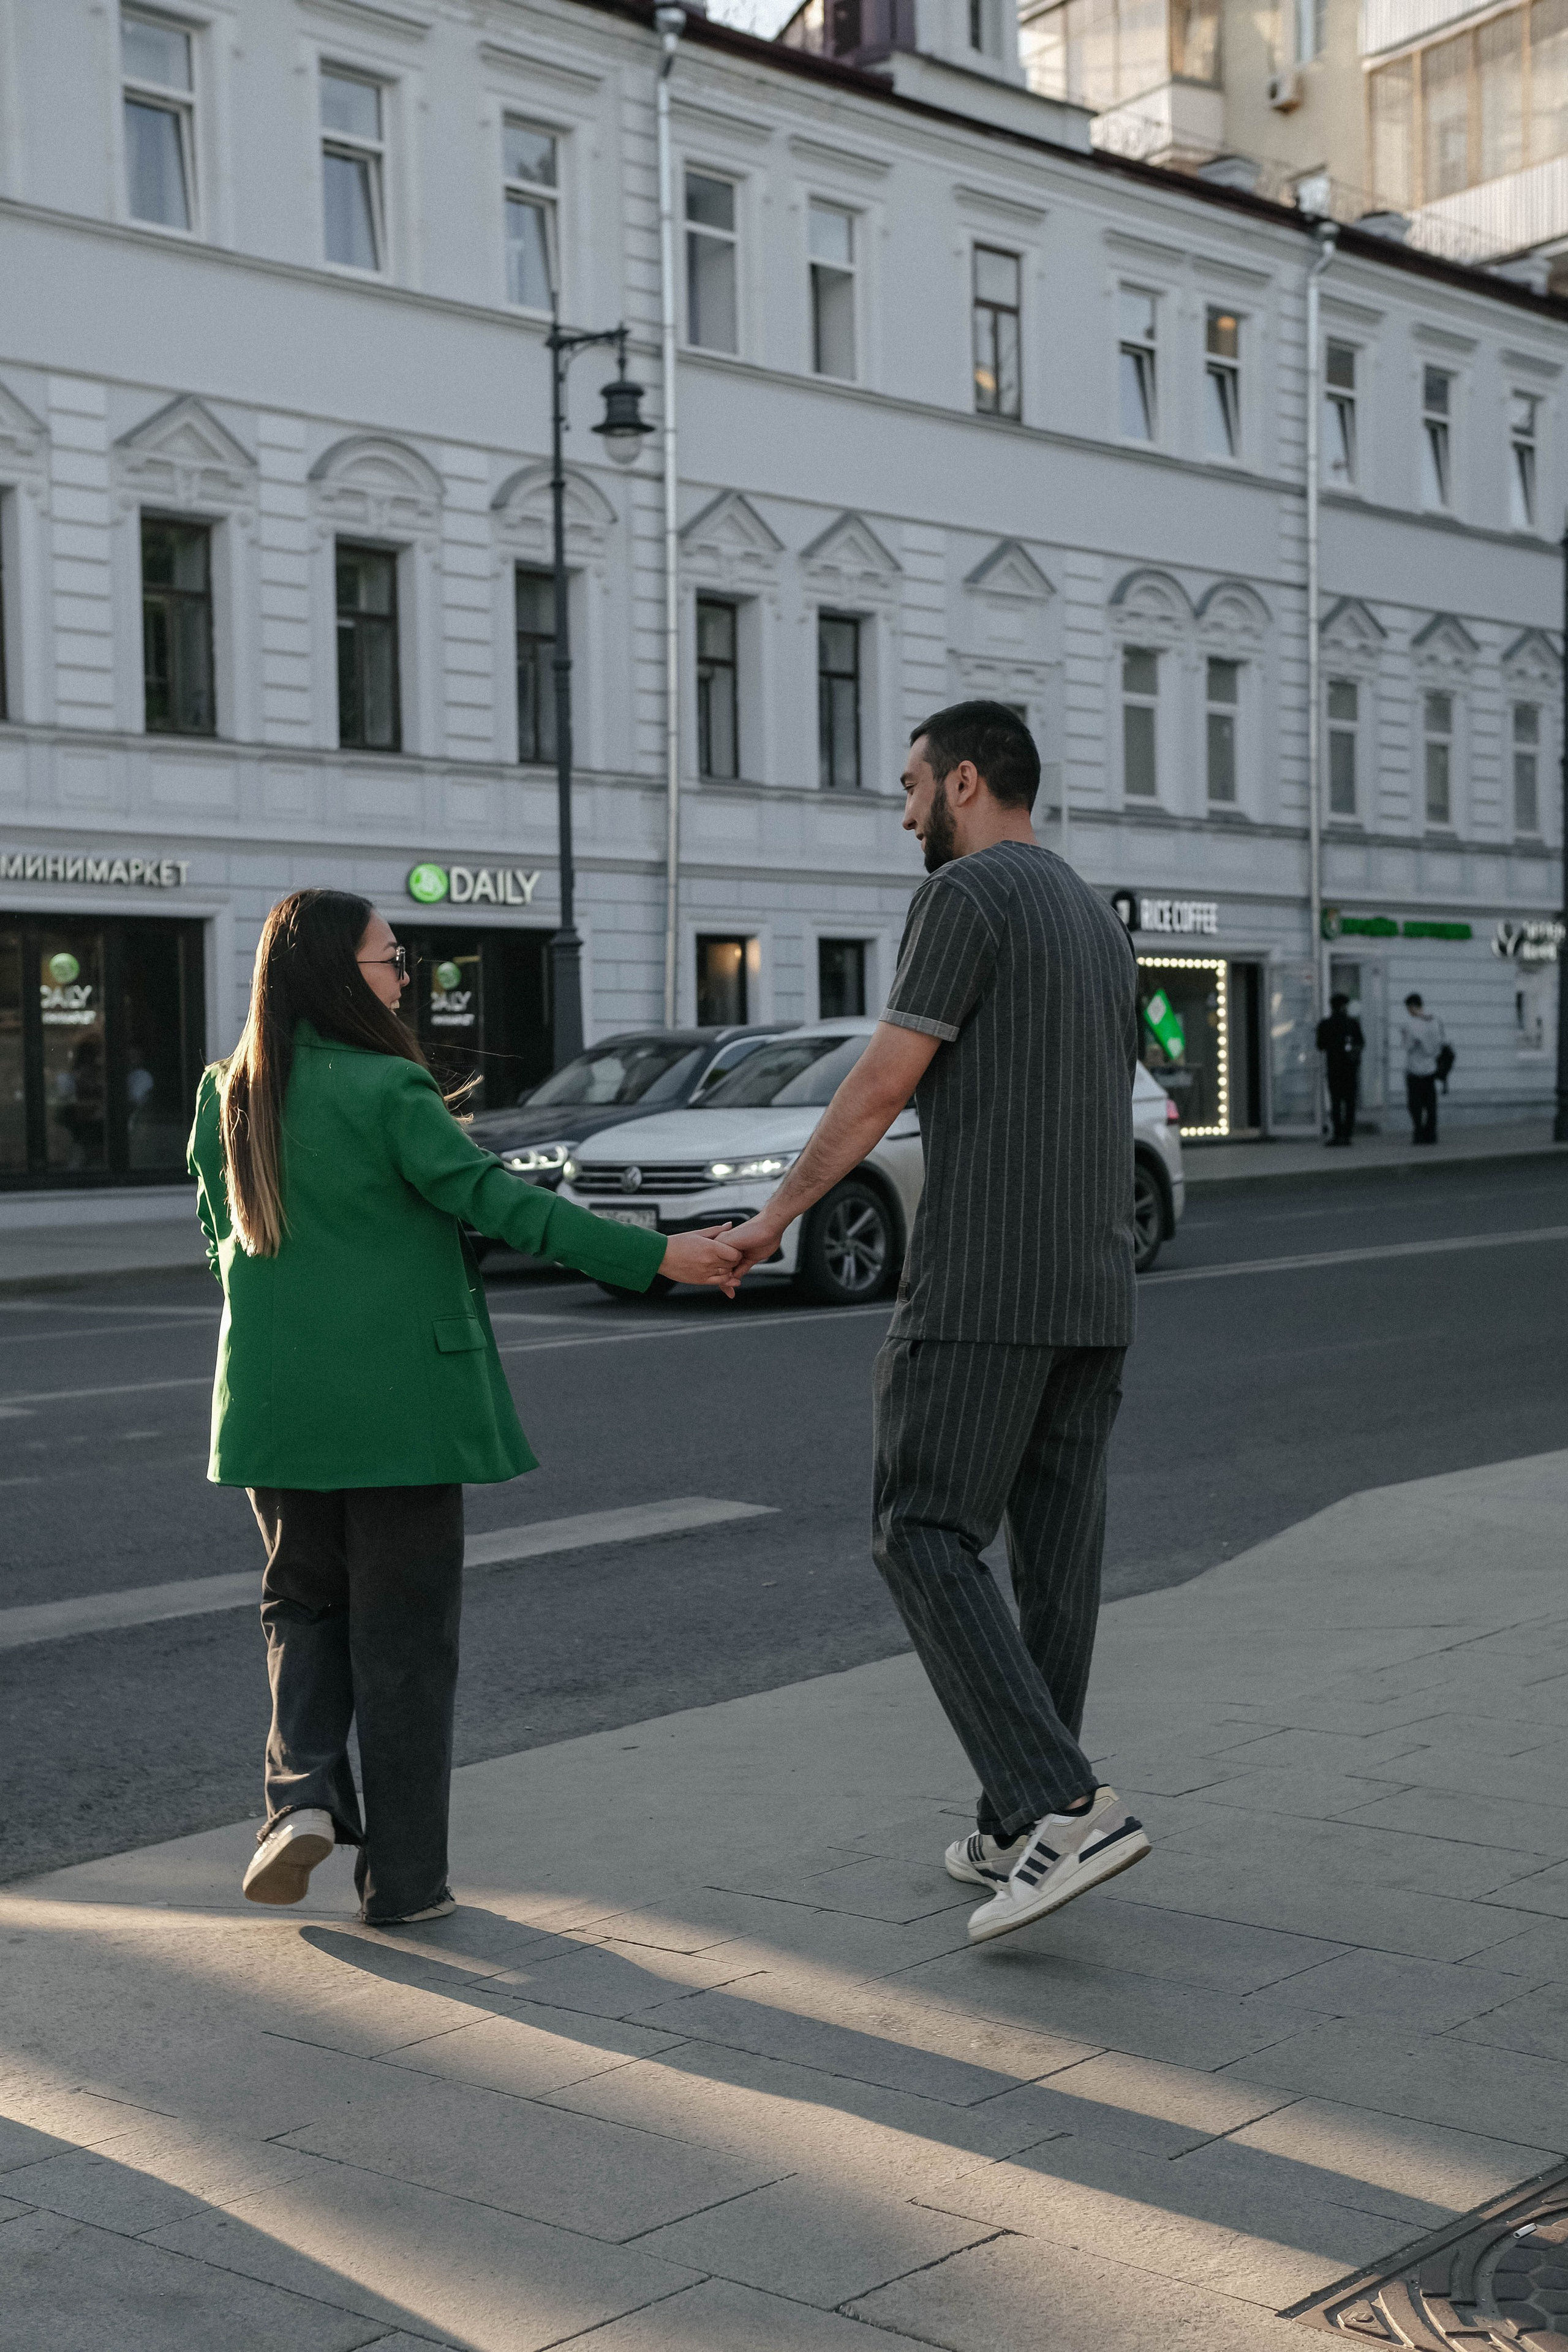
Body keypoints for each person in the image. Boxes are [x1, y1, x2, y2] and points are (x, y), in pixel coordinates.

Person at [188, 888, 739, 1927]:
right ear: (345, 975)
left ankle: (299, 1797)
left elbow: (219, 1238)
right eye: (394, 960)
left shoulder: (229, 1090)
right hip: (402, 1410)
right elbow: (499, 1203)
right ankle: (404, 1886)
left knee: (301, 1607)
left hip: (270, 1408)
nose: (409, 980)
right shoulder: (390, 1088)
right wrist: (658, 1254)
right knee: (402, 1645)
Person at [723, 701, 1150, 1947]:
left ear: (964, 783)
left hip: (984, 1285)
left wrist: (776, 1218)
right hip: (1093, 1289)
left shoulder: (965, 899)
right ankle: (1019, 1825)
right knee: (1054, 1571)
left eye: (910, 787)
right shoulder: (1089, 913)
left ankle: (1062, 1804)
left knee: (918, 1530)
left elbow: (882, 1080)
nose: (902, 812)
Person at [1315, 992, 1365, 1147]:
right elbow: (1361, 1043)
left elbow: (1320, 1046)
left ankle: (1337, 1134)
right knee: (1350, 1103)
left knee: (1336, 1103)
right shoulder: (1352, 1023)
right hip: (1350, 1069)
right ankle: (1347, 1135)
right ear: (1344, 1006)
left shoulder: (1325, 1024)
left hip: (1334, 1068)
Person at [1400, 991, 1446, 1145]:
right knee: (1431, 1104)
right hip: (1430, 1069)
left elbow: (1408, 1046)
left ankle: (1419, 1132)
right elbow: (1440, 1046)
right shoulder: (1435, 1021)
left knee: (1415, 1105)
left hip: (1414, 1070)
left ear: (1412, 1007)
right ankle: (1431, 1133)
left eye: (1408, 1009)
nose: (1408, 1012)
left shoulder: (1410, 1025)